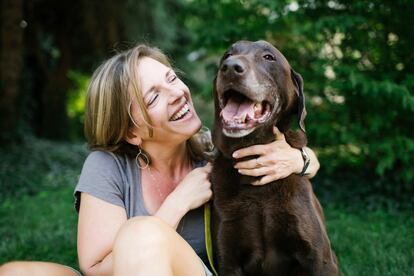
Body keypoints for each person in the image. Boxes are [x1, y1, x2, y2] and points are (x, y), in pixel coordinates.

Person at [0, 44, 320, 276]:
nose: (177, 93)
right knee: (14, 273)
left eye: (170, 79)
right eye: (153, 96)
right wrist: (179, 202)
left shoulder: (216, 154)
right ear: (130, 132)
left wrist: (300, 158)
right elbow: (96, 270)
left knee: (141, 234)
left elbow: (296, 161)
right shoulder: (107, 167)